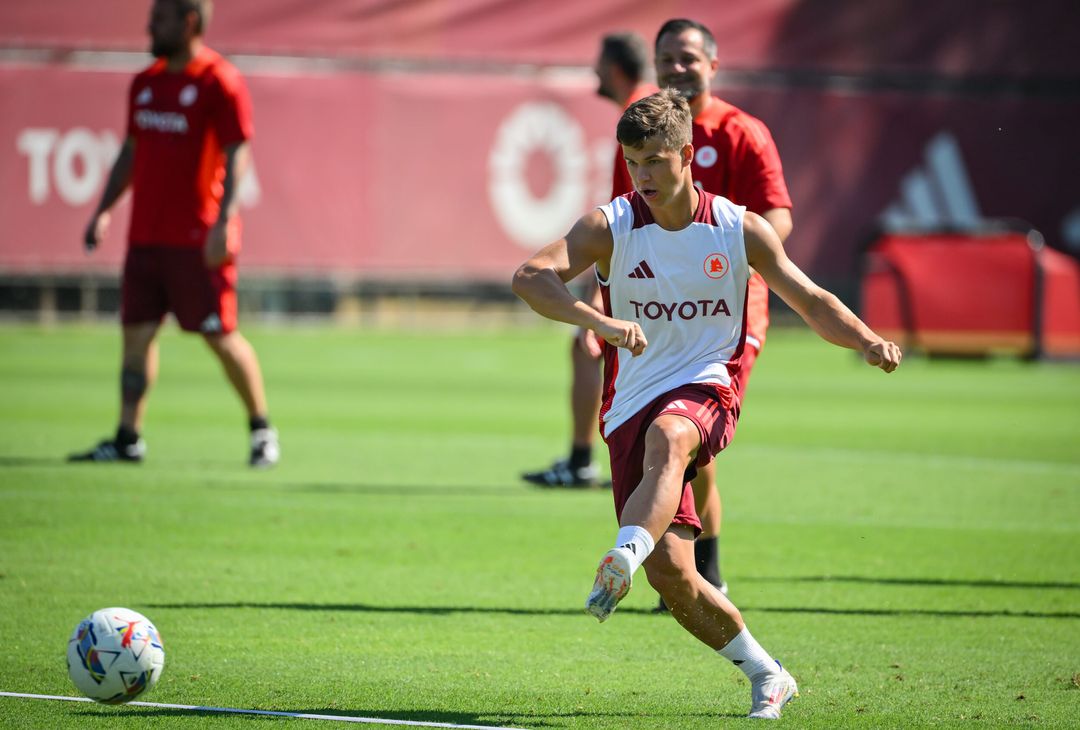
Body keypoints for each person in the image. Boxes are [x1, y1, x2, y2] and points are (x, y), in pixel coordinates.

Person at [512, 89, 901, 720]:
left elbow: (810, 298)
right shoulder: (611, 226)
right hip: (628, 403)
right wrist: (599, 321)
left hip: (707, 384)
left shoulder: (736, 228)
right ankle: (768, 673)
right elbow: (530, 277)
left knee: (673, 435)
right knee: (675, 576)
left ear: (687, 155)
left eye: (656, 162)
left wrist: (865, 339)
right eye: (633, 163)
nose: (643, 177)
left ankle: (622, 556)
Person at [68, 0, 279, 468]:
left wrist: (224, 220)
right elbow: (130, 153)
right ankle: (128, 437)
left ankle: (261, 429)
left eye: (158, 19)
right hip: (146, 238)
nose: (148, 26)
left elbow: (237, 152)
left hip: (197, 239)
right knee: (136, 336)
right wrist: (103, 210)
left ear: (188, 22)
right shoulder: (145, 84)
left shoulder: (218, 81)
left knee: (220, 335)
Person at [521, 32, 655, 489]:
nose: (594, 73)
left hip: (644, 265)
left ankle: (590, 460)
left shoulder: (639, 119)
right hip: (642, 261)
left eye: (598, 65)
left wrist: (606, 282)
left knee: (589, 344)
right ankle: (600, 458)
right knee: (592, 346)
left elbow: (630, 208)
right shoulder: (646, 111)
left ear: (614, 69)